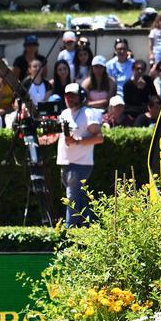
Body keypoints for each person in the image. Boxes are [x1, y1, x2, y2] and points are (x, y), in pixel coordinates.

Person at [58, 83, 104, 227]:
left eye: (73, 96)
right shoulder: (64, 113)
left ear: (81, 97)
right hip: (65, 162)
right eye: (67, 95)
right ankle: (89, 228)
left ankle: (69, 231)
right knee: (79, 198)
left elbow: (99, 138)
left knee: (71, 198)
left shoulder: (88, 113)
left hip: (81, 164)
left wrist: (77, 141)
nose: (69, 98)